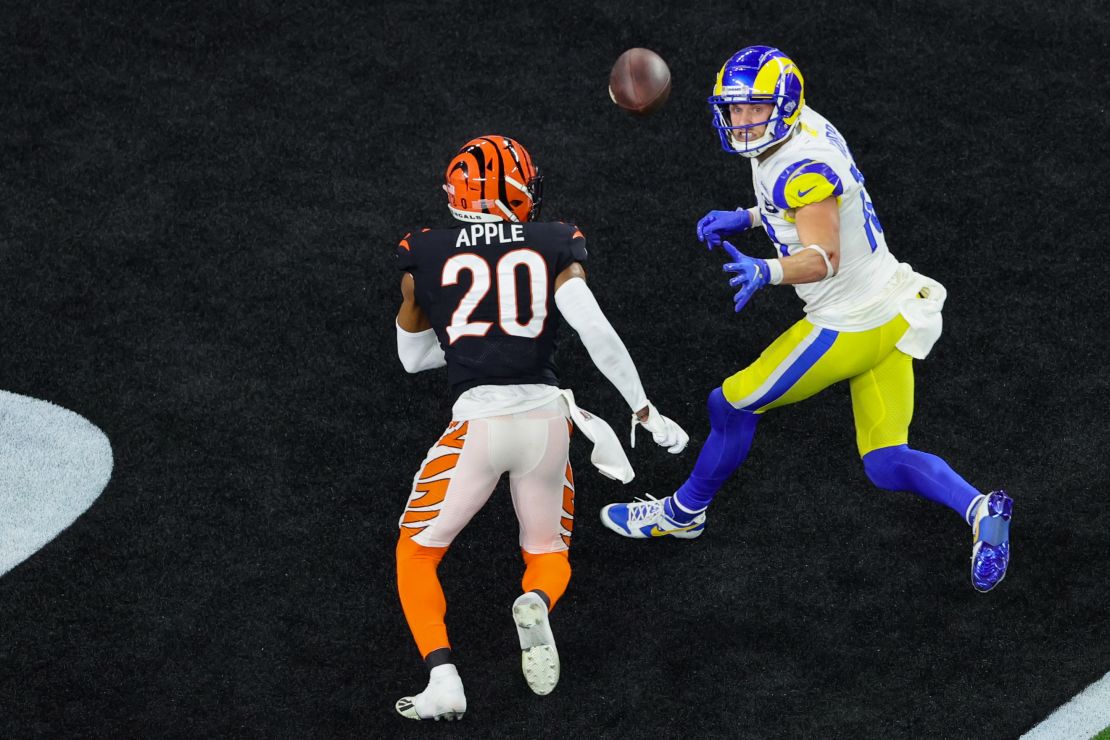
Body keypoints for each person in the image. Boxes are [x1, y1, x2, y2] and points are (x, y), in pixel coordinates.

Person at [599, 46, 1013, 593]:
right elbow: (805, 207)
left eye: (755, 110)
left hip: (850, 322)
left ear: (784, 107)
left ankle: (682, 512)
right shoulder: (807, 129)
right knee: (885, 460)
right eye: (737, 110)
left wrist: (765, 270)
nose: (743, 122)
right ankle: (983, 511)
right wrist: (749, 216)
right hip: (895, 303)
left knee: (730, 402)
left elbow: (823, 257)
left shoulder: (800, 171)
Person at [393, 135, 688, 721]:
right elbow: (597, 333)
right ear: (518, 193)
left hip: (477, 424)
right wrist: (644, 410)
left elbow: (413, 359)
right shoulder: (554, 243)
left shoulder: (423, 253)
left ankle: (444, 677)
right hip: (550, 421)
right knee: (548, 551)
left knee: (417, 555)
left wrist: (471, 339)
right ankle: (535, 600)